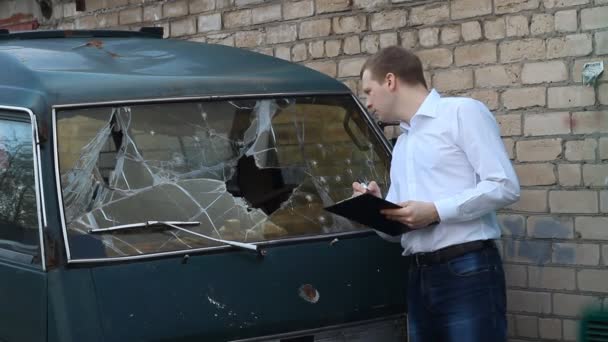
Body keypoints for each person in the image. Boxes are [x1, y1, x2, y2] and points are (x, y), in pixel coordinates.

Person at [352, 46, 520, 342]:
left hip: (468, 270)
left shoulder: (461, 112)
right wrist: (375, 210)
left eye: (368, 91)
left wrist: (436, 211)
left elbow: (504, 185)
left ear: (390, 81)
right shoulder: (403, 144)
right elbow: (401, 228)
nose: (367, 102)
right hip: (419, 276)